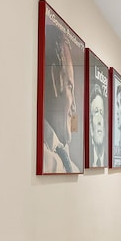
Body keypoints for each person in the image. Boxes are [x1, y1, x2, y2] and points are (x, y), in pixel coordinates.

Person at [42, 24, 80, 173]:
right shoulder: (43, 158)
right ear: (54, 79)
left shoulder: (68, 162)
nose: (74, 106)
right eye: (70, 86)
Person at [89, 83, 106, 167]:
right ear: (91, 127)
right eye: (96, 113)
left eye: (101, 113)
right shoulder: (88, 161)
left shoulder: (107, 161)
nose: (99, 121)